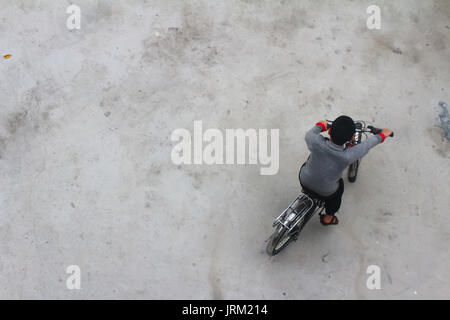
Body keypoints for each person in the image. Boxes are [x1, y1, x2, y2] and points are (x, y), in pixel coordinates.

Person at [299, 115, 393, 226]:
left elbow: (310, 133)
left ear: (329, 132)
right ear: (351, 138)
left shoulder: (315, 142)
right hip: (326, 191)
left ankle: (304, 191)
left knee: (307, 164)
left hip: (304, 179)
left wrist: (320, 126)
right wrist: (382, 134)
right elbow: (367, 145)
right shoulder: (348, 156)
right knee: (339, 188)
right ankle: (328, 217)